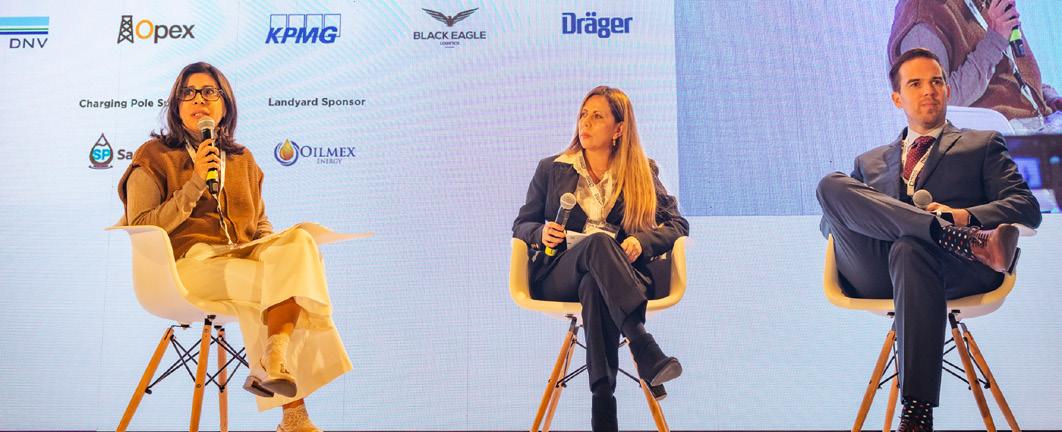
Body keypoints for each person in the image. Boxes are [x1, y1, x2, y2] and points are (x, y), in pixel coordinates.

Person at [117, 62, 352, 432]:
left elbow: (260, 224)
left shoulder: (243, 159)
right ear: (176, 106)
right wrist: (195, 183)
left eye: (209, 92)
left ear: (225, 105)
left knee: (300, 244)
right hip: (184, 267)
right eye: (188, 93)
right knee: (286, 286)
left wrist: (272, 247)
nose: (199, 99)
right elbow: (142, 225)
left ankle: (276, 354)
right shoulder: (153, 155)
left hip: (239, 258)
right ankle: (293, 413)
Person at [816, 48, 1041, 431]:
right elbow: (833, 224)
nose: (929, 91)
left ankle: (917, 414)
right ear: (897, 98)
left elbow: (1026, 207)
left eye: (936, 81)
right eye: (916, 84)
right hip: (875, 269)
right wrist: (903, 221)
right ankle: (951, 236)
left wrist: (963, 216)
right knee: (829, 185)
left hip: (953, 269)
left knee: (911, 248)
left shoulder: (982, 145)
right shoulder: (869, 162)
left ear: (948, 90)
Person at [512, 86, 688, 431]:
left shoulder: (642, 171)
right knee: (596, 244)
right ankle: (642, 344)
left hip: (617, 277)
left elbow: (677, 225)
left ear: (619, 129)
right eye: (583, 114)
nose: (585, 123)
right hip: (560, 273)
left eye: (597, 116)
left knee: (595, 283)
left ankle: (603, 406)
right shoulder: (552, 169)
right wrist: (540, 233)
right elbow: (522, 224)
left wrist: (641, 241)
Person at [888, 0, 1062, 133]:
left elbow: (1010, 74)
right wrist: (995, 40)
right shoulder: (922, 17)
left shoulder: (985, 3)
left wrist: (1049, 98)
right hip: (1000, 147)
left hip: (1043, 125)